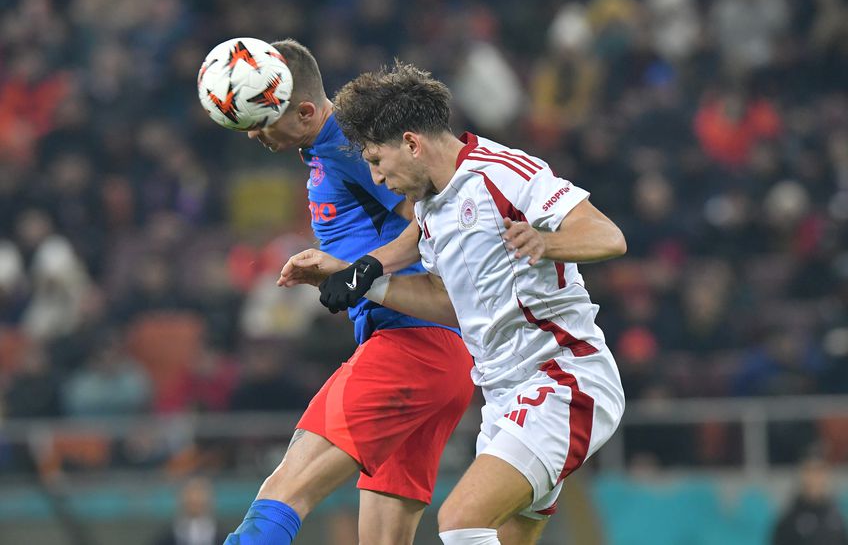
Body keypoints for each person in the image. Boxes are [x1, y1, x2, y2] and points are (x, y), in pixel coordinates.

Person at [280, 61, 627, 545]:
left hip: (564, 379)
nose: (377, 179)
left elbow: (606, 235)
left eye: (377, 161)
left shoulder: (502, 175)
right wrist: (361, 277)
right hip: (504, 398)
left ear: (412, 144)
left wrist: (547, 242)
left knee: (461, 519)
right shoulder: (431, 205)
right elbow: (447, 303)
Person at [220, 41, 475, 545]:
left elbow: (432, 222)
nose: (253, 132)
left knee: (285, 487)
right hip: (441, 356)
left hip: (411, 346)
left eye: (262, 117)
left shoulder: (349, 150)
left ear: (307, 111)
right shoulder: (328, 149)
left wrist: (362, 269)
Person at [771, 454, 848, 545]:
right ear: (802, 476)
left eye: (820, 472)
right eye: (811, 472)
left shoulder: (836, 517)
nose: (815, 478)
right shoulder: (789, 520)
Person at [153, 477, 227, 545]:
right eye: (190, 496)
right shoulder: (166, 536)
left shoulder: (223, 536)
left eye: (199, 496)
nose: (195, 500)